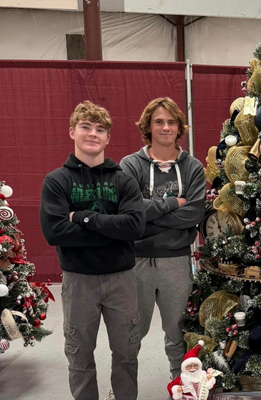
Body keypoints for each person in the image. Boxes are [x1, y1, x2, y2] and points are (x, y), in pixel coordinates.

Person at [40, 101, 145, 400]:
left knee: (127, 352)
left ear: (108, 138)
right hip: (79, 279)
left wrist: (84, 218)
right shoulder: (57, 181)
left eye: (100, 129)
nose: (92, 134)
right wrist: (112, 230)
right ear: (72, 131)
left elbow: (135, 227)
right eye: (86, 127)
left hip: (122, 280)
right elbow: (55, 232)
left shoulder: (123, 179)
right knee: (79, 354)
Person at [120, 97, 206, 381]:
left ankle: (180, 385)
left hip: (177, 262)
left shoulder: (192, 167)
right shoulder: (130, 165)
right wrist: (172, 205)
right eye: (159, 122)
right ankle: (123, 388)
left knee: (178, 330)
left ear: (179, 127)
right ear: (148, 126)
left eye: (171, 122)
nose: (166, 127)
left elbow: (193, 213)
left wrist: (147, 218)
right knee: (131, 330)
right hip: (137, 262)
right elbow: (129, 211)